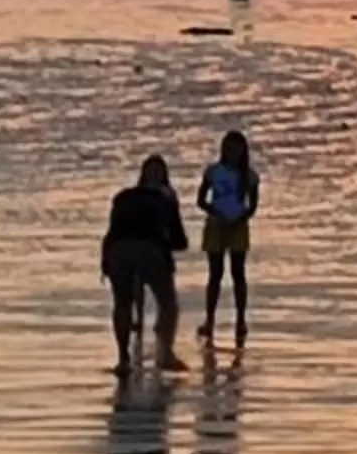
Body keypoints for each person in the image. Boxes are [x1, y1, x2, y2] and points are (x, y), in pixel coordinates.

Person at [101, 155, 188, 374]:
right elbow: (179, 240)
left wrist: (105, 262)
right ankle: (166, 355)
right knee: (168, 303)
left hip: (118, 250)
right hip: (149, 249)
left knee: (122, 304)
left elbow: (111, 233)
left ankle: (123, 359)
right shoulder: (165, 199)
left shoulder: (123, 197)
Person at [198, 129, 261, 348]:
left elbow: (253, 205)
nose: (233, 152)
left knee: (238, 273)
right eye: (229, 147)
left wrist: (240, 218)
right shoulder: (213, 172)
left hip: (238, 225)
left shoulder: (249, 176)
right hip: (216, 223)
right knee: (215, 274)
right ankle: (209, 319)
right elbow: (201, 199)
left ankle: (240, 320)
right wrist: (216, 212)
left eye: (237, 148)